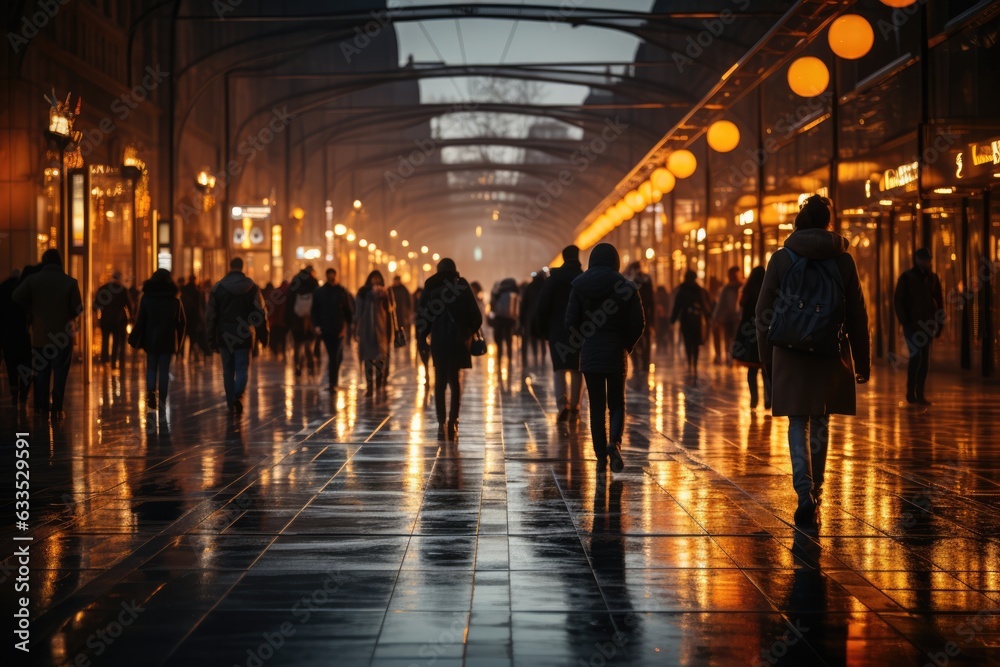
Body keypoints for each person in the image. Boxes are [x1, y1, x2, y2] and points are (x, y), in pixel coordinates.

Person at [756, 195, 870, 527]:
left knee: (797, 422)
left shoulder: (781, 258)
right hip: (828, 349)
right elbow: (857, 315)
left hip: (790, 352)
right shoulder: (843, 261)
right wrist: (861, 361)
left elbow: (762, 312)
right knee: (821, 421)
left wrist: (767, 359)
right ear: (828, 223)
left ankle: (803, 493)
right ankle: (816, 491)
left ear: (799, 221)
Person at [566, 243, 644, 473]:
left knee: (596, 406)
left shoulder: (578, 286)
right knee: (617, 403)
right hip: (615, 352)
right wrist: (625, 345)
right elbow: (639, 323)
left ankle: (601, 455)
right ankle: (614, 444)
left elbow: (570, 321)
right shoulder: (627, 287)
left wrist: (584, 341)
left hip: (590, 353)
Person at [416, 258, 482, 439]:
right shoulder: (461, 286)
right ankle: (453, 421)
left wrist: (422, 337)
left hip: (438, 340)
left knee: (440, 381)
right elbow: (476, 316)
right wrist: (468, 330)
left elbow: (422, 315)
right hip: (458, 341)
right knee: (455, 380)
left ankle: (440, 424)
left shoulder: (430, 287)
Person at [12, 249, 83, 417]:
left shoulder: (32, 280)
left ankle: (41, 407)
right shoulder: (70, 282)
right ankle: (57, 406)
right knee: (60, 372)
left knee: (41, 373)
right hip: (62, 336)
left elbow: (16, 296)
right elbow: (78, 308)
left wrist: (32, 309)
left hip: (40, 336)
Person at [206, 257, 269, 415]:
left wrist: (210, 338)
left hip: (224, 334)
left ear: (230, 266)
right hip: (244, 334)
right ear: (242, 267)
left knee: (228, 369)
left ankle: (230, 402)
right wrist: (263, 335)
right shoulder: (252, 287)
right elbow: (260, 313)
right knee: (242, 368)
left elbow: (210, 316)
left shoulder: (218, 288)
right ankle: (237, 395)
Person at [535, 245, 584, 423]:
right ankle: (576, 406)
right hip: (579, 330)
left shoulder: (552, 280)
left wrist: (544, 331)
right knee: (578, 368)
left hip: (557, 330)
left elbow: (542, 308)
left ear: (563, 258)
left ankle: (562, 403)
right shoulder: (583, 278)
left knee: (559, 369)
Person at [129, 268, 186, 411]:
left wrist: (135, 337)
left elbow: (140, 320)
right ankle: (162, 400)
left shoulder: (146, 298)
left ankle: (150, 394)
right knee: (164, 371)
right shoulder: (175, 300)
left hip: (151, 339)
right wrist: (179, 343)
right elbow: (181, 323)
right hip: (167, 340)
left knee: (151, 368)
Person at [893, 248, 944, 405]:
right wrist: (905, 321)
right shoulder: (907, 278)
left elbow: (939, 301)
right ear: (916, 259)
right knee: (917, 357)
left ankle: (919, 393)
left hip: (927, 325)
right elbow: (898, 301)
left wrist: (939, 324)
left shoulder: (932, 278)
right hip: (912, 325)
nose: (926, 263)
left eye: (928, 260)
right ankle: (911, 391)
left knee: (924, 360)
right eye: (923, 259)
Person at [731, 266, 770, 409]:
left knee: (752, 370)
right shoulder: (767, 291)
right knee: (766, 369)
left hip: (750, 333)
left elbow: (742, 312)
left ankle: (754, 399)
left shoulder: (747, 292)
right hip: (765, 331)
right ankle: (768, 398)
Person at [312, 268, 354, 391]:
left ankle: (333, 381)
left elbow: (348, 311)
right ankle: (333, 383)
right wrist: (317, 325)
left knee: (337, 356)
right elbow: (315, 311)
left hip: (339, 328)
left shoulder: (341, 291)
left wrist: (349, 325)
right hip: (326, 329)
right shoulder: (320, 292)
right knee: (333, 355)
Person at [355, 270, 396, 396]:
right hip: (367, 330)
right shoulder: (363, 292)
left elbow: (391, 309)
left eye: (378, 278)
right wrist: (356, 329)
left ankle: (379, 383)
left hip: (382, 330)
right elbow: (358, 311)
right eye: (373, 278)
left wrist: (384, 295)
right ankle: (369, 386)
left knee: (380, 358)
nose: (376, 281)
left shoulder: (386, 292)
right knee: (368, 359)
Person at [0, 267, 34, 407]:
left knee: (11, 364)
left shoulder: (2, 288)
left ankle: (14, 392)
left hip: (7, 333)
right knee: (25, 363)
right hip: (22, 332)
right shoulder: (24, 289)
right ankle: (23, 395)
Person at [670, 270, 711, 381]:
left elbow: (677, 306)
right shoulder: (699, 290)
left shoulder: (682, 290)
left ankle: (690, 363)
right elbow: (705, 306)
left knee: (688, 342)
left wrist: (672, 320)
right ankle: (694, 364)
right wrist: (708, 317)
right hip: (696, 319)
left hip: (685, 319)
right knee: (695, 343)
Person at [93, 270, 133, 369]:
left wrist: (98, 313)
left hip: (105, 319)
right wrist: (130, 317)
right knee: (116, 340)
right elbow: (128, 305)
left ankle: (105, 359)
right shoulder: (123, 290)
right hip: (118, 320)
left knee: (105, 339)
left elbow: (95, 306)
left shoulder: (103, 289)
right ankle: (114, 360)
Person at [624, 260, 655, 383]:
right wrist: (652, 319)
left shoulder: (627, 279)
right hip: (645, 314)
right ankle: (645, 364)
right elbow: (651, 300)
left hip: (630, 316)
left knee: (633, 341)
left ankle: (637, 364)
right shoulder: (646, 279)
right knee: (645, 340)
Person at [286, 265, 319, 376]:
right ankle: (310, 365)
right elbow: (317, 301)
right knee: (308, 344)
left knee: (297, 345)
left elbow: (289, 301)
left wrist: (288, 320)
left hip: (296, 319)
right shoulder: (313, 283)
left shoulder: (295, 282)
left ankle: (297, 366)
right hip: (310, 319)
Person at [712, 266, 743, 365]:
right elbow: (721, 304)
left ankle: (730, 356)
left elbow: (721, 304)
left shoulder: (735, 288)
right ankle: (730, 356)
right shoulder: (731, 288)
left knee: (730, 338)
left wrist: (716, 317)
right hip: (732, 318)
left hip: (735, 318)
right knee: (730, 338)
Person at [520, 271, 547, 367]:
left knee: (533, 338)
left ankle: (534, 358)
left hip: (530, 317)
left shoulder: (530, 287)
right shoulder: (545, 287)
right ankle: (542, 359)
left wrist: (522, 319)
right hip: (541, 316)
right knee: (542, 338)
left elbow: (524, 304)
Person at [491, 277, 519, 366]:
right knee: (508, 340)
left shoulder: (497, 292)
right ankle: (509, 359)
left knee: (499, 341)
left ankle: (499, 359)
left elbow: (492, 305)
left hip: (499, 318)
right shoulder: (514, 292)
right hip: (510, 320)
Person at [180, 274, 206, 360]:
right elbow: (200, 306)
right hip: (194, 317)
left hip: (184, 316)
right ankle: (193, 352)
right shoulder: (197, 291)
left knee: (183, 336)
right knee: (193, 337)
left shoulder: (184, 290)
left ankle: (181, 353)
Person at [268, 279, 290, 361]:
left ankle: (275, 351)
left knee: (274, 336)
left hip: (274, 320)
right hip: (284, 320)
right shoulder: (288, 293)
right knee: (283, 337)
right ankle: (283, 352)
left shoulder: (276, 292)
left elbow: (270, 306)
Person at [390, 275, 412, 343]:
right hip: (393, 311)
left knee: (402, 326)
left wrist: (408, 311)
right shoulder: (391, 289)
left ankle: (402, 340)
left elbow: (408, 301)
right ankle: (396, 340)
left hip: (402, 311)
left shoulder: (403, 289)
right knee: (394, 326)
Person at [654, 285, 672, 349]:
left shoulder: (657, 296)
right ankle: (664, 347)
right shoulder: (666, 296)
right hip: (664, 318)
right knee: (664, 334)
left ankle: (660, 348)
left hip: (660, 318)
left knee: (659, 334)